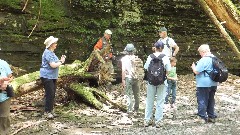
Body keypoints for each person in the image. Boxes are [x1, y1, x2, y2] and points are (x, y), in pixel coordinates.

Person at [144, 41, 171, 127]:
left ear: (155, 48)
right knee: (160, 101)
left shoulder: (150, 56)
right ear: (162, 48)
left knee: (149, 100)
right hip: (162, 82)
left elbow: (146, 68)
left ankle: (147, 120)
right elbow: (168, 70)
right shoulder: (165, 57)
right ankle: (158, 121)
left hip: (151, 82)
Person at [40, 36, 66, 119]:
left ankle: (50, 110)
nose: (56, 44)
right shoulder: (47, 53)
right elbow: (53, 65)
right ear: (51, 44)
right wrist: (61, 62)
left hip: (53, 77)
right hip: (47, 76)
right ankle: (47, 112)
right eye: (55, 43)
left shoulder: (52, 53)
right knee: (49, 94)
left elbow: (56, 62)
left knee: (52, 94)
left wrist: (61, 60)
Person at [191, 44, 218, 123]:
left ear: (203, 51)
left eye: (200, 53)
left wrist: (193, 67)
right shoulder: (215, 58)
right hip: (214, 82)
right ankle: (211, 116)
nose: (200, 54)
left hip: (203, 83)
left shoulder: (204, 59)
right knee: (211, 99)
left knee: (202, 99)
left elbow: (197, 71)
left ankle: (202, 117)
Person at [121, 43, 140, 114]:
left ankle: (129, 110)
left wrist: (123, 80)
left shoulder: (124, 59)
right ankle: (136, 109)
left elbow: (123, 70)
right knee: (136, 94)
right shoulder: (136, 58)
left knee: (128, 94)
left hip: (128, 78)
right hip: (136, 78)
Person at [0, 59, 13, 135]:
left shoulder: (3, 63)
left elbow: (10, 76)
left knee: (4, 116)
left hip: (4, 95)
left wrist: (6, 81)